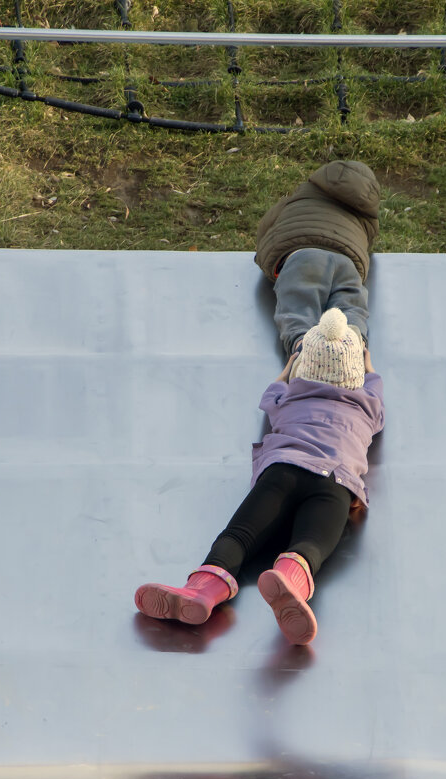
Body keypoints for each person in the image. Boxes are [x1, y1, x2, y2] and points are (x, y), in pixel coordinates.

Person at [134, 308, 385, 645]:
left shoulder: (289, 396)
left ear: (302, 368)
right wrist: (367, 364)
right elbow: (374, 384)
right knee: (311, 543)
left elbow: (273, 390)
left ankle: (204, 588)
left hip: (282, 469)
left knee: (239, 536)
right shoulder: (365, 404)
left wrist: (288, 367)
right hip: (334, 481)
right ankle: (290, 576)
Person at [254, 160, 381, 357]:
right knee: (350, 304)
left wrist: (266, 259)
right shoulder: (367, 215)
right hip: (346, 261)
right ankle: (354, 344)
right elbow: (368, 241)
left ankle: (302, 347)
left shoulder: (301, 195)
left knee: (299, 304)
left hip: (302, 256)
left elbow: (267, 226)